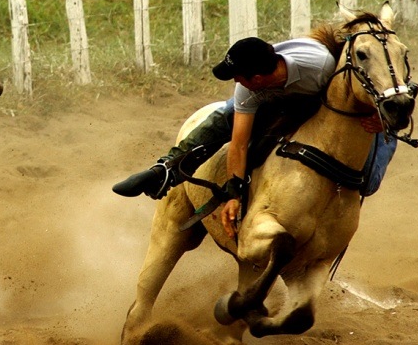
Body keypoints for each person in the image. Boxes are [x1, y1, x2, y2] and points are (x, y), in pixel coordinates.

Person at [112, 35, 396, 238]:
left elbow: (367, 87)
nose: (235, 81)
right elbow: (237, 142)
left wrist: (379, 116)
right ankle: (165, 170)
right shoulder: (249, 88)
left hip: (320, 99)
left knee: (367, 180)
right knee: (226, 114)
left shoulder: (321, 68)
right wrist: (234, 189)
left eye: (238, 76)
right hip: (279, 96)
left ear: (257, 77)